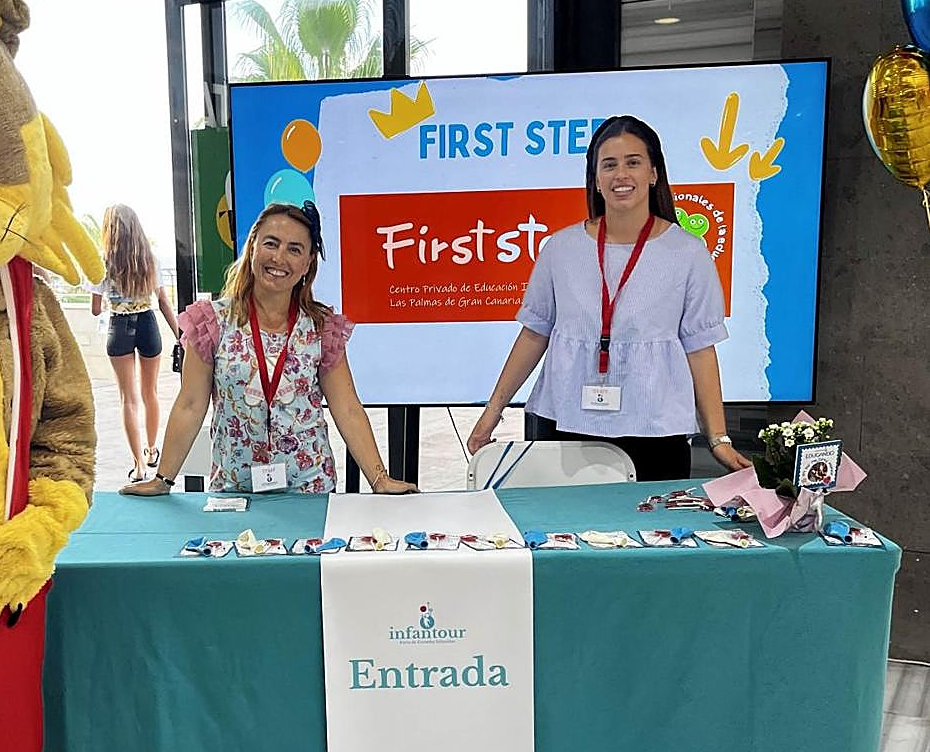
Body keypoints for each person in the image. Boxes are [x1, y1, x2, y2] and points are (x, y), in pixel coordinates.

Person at [468, 115, 752, 481]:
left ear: (653, 173)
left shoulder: (688, 253)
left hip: (656, 430)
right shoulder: (561, 248)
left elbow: (699, 349)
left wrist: (718, 438)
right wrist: (493, 411)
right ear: (596, 179)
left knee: (652, 534)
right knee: (565, 533)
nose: (621, 175)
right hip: (567, 422)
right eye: (609, 165)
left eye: (633, 162)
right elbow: (534, 333)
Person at [124, 201, 417, 496]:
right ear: (252, 247)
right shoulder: (211, 322)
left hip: (309, 489)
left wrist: (380, 479)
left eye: (294, 249)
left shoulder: (322, 327)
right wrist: (163, 480)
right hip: (235, 490)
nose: (279, 258)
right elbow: (190, 405)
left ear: (307, 263)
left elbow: (348, 408)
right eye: (271, 243)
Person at [91, 204, 180, 484]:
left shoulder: (103, 260)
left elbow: (95, 309)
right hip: (148, 323)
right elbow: (164, 301)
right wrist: (180, 335)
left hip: (118, 326)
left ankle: (139, 466)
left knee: (127, 399)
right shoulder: (148, 258)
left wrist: (113, 298)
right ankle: (152, 450)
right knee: (150, 392)